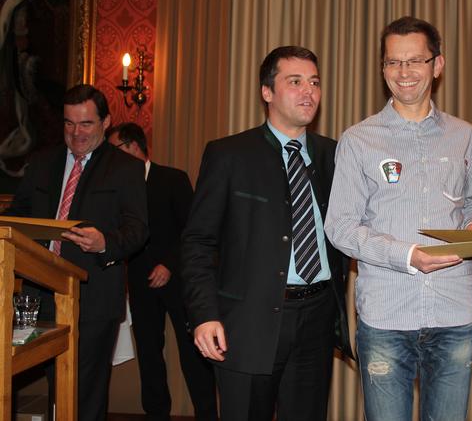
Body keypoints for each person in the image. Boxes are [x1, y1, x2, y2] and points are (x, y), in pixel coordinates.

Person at [324, 16, 472, 421]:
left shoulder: (464, 135)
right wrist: (407, 255)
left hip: (455, 313)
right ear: (383, 67)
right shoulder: (358, 140)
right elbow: (340, 227)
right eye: (393, 62)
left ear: (437, 65)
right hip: (386, 317)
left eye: (415, 60)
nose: (404, 72)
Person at [181, 45, 353, 421]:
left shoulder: (335, 156)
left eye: (315, 83)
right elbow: (197, 242)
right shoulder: (229, 154)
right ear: (267, 92)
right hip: (247, 323)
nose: (308, 92)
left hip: (317, 319)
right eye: (295, 82)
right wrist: (204, 314)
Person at [7, 84, 148, 421]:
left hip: (93, 296)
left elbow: (137, 230)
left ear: (106, 122)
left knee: (85, 393)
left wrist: (104, 243)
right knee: (53, 389)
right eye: (69, 123)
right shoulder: (42, 163)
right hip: (37, 295)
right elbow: (17, 215)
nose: (76, 133)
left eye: (86, 124)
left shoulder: (125, 168)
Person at [107, 122, 218, 421]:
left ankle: (207, 415)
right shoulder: (118, 187)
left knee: (193, 352)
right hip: (138, 281)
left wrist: (169, 264)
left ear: (133, 146)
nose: (110, 157)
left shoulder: (172, 178)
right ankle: (156, 415)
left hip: (180, 279)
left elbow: (192, 230)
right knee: (148, 354)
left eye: (114, 149)